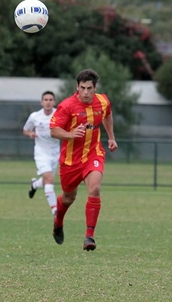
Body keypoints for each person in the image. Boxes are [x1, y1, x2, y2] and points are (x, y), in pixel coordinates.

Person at [49, 68, 118, 251]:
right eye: (82, 88)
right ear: (77, 87)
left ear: (95, 88)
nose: (86, 92)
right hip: (70, 161)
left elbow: (108, 115)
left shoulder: (103, 101)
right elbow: (54, 131)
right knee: (68, 198)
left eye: (89, 88)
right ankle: (58, 221)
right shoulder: (67, 106)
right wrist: (71, 134)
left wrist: (111, 137)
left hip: (93, 153)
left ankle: (89, 237)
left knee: (94, 189)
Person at [23, 91, 60, 216]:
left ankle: (35, 184)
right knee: (49, 179)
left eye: (50, 100)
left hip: (55, 153)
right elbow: (25, 130)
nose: (48, 102)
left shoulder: (59, 115)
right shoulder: (35, 116)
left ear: (54, 102)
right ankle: (55, 210)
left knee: (46, 180)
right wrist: (30, 134)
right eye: (46, 99)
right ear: (41, 102)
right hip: (41, 153)